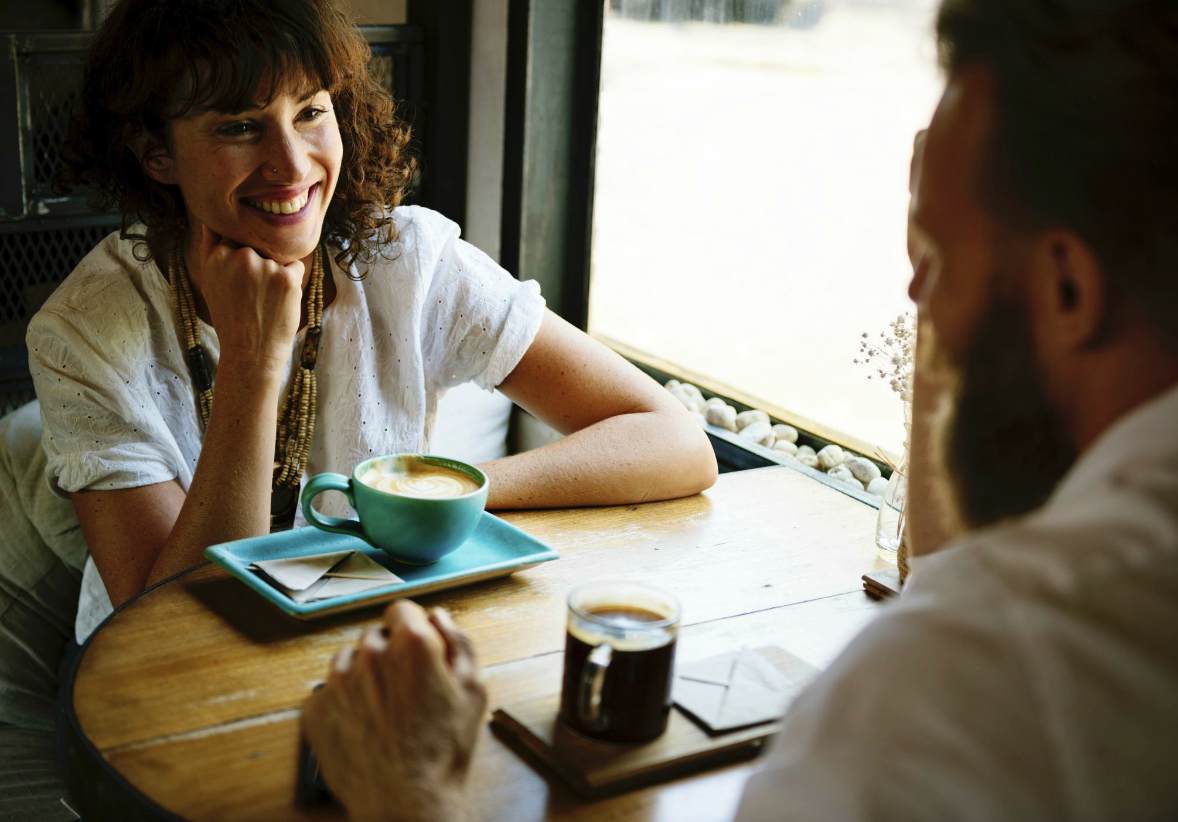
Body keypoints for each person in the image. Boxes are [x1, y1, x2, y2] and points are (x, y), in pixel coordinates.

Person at [302, 0, 1178, 818]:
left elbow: (957, 581)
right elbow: (959, 562)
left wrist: (410, 794)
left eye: (936, 258)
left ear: (1069, 289)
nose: (915, 299)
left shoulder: (947, 689)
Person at [26, 0, 717, 645]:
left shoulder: (408, 260)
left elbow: (676, 443)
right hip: (151, 684)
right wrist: (252, 362)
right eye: (238, 125)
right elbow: (170, 627)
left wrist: (433, 500)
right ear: (157, 154)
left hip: (368, 641)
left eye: (309, 112)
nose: (292, 165)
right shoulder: (81, 331)